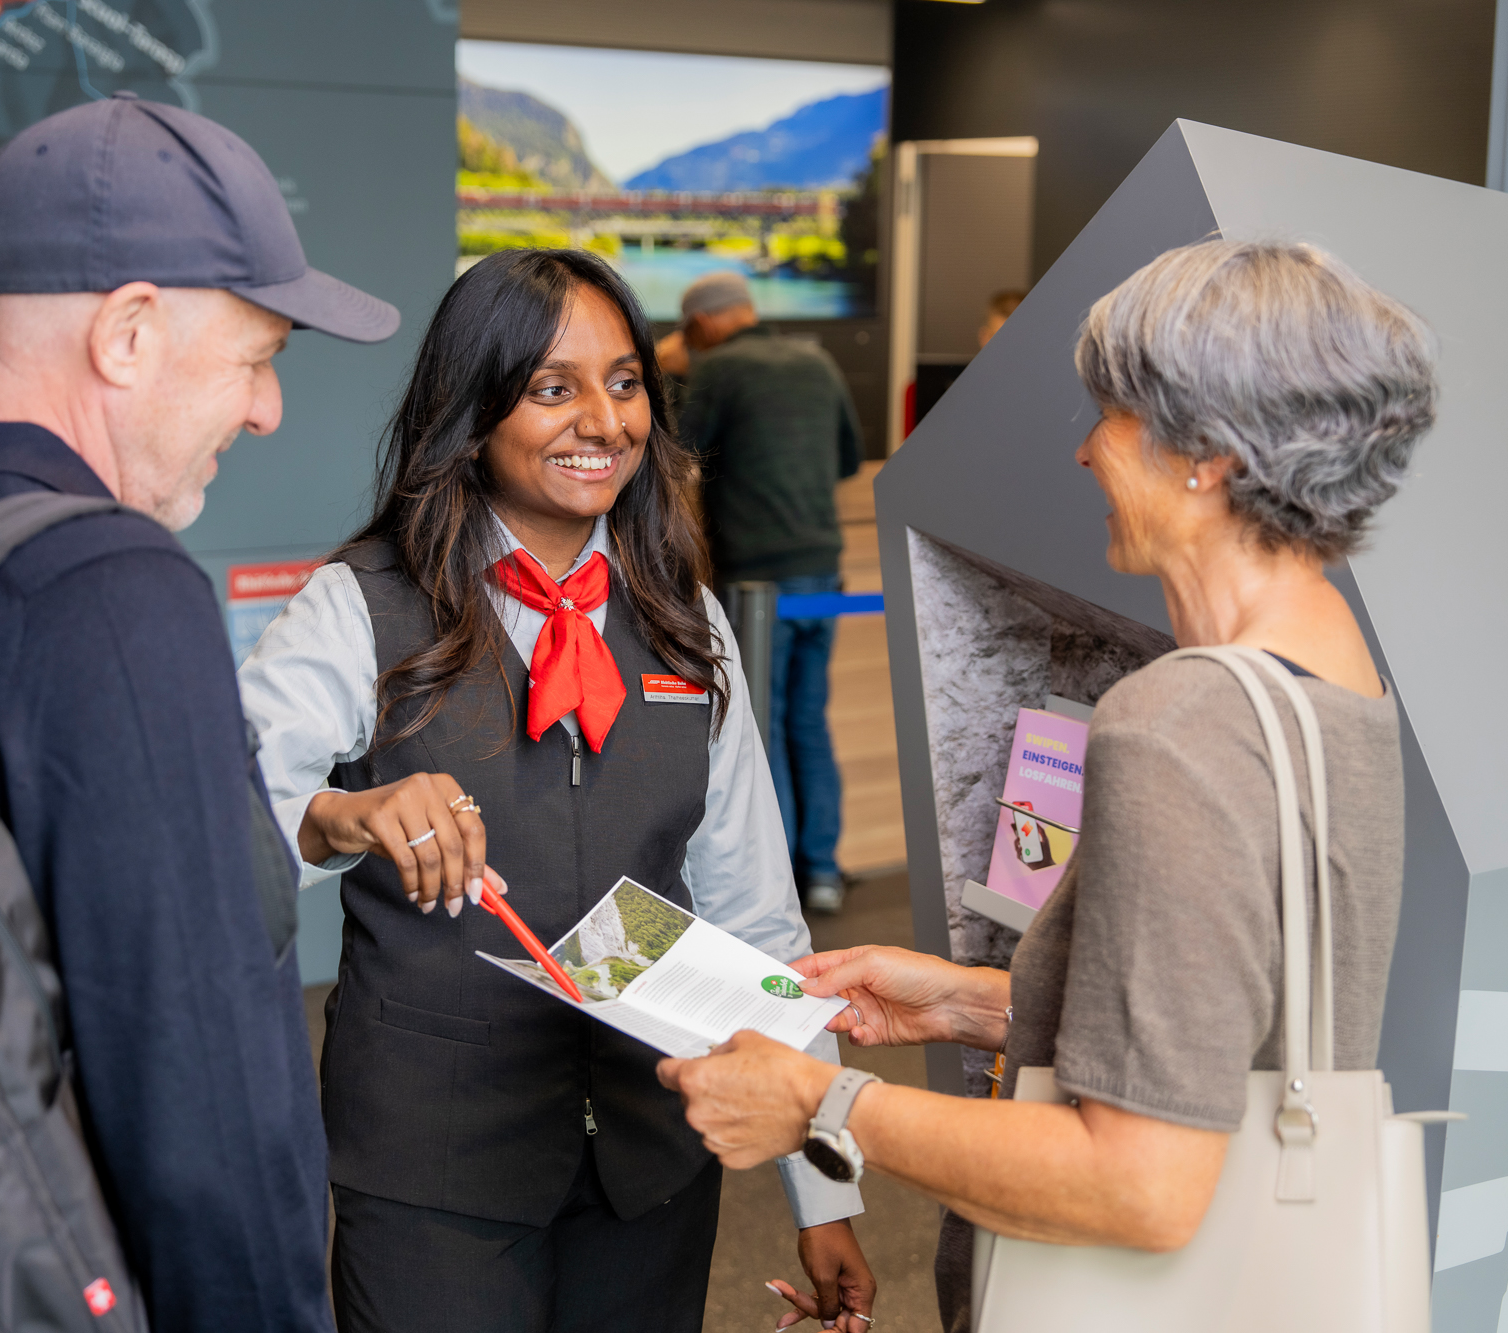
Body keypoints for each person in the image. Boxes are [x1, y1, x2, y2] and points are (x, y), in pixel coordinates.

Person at [654, 239, 1438, 1331]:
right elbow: (1215, 1029)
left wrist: (818, 1100)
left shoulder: (1180, 722)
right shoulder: (1331, 679)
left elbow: (1138, 1184)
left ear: (1204, 450)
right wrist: (975, 1002)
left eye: (1110, 415)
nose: (1083, 454)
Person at [0, 94, 399, 1332]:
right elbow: (200, 1090)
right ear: (130, 333)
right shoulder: (112, 591)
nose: (266, 411)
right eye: (256, 358)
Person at [238, 248, 874, 1333]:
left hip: (650, 1154)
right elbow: (229, 810)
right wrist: (341, 815)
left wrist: (823, 1183)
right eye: (550, 387)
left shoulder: (685, 617)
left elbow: (755, 916)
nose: (603, 420)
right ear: (469, 409)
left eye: (624, 382)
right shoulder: (361, 607)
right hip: (431, 1163)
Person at [669, 270, 863, 915]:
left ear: (699, 325)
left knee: (761, 728)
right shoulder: (817, 362)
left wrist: (666, 368)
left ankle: (774, 878)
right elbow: (846, 462)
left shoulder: (720, 368)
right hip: (824, 568)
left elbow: (673, 454)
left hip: (758, 576)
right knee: (808, 717)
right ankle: (825, 871)